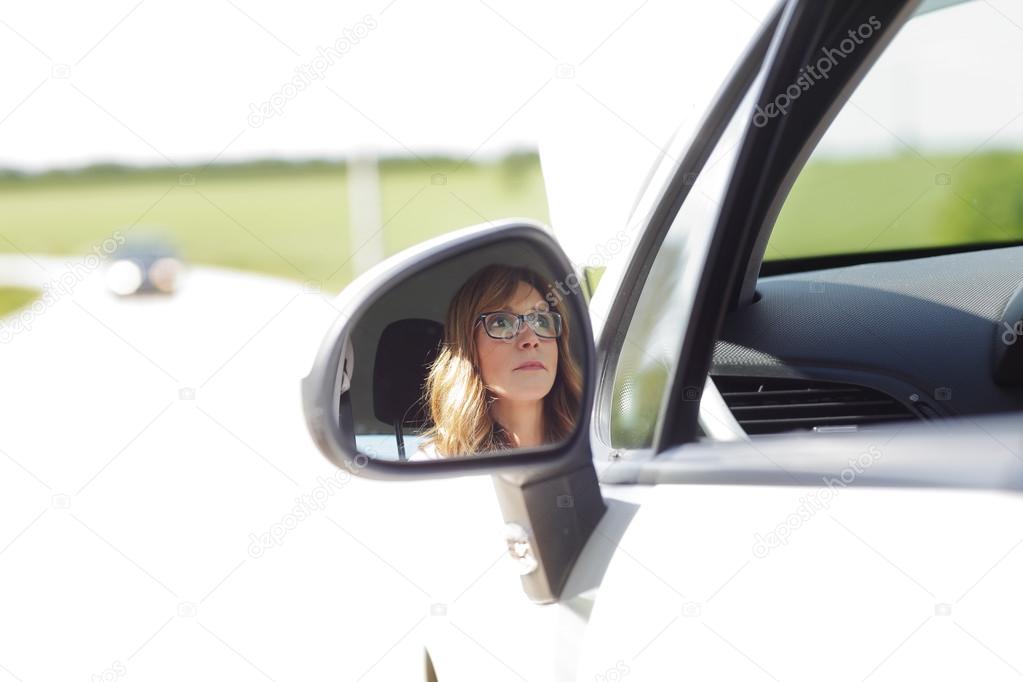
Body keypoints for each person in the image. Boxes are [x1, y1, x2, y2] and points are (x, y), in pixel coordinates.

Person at [410, 264, 583, 460]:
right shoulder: (436, 462)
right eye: (502, 322)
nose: (531, 339)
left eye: (541, 321)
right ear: (469, 348)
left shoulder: (599, 440)